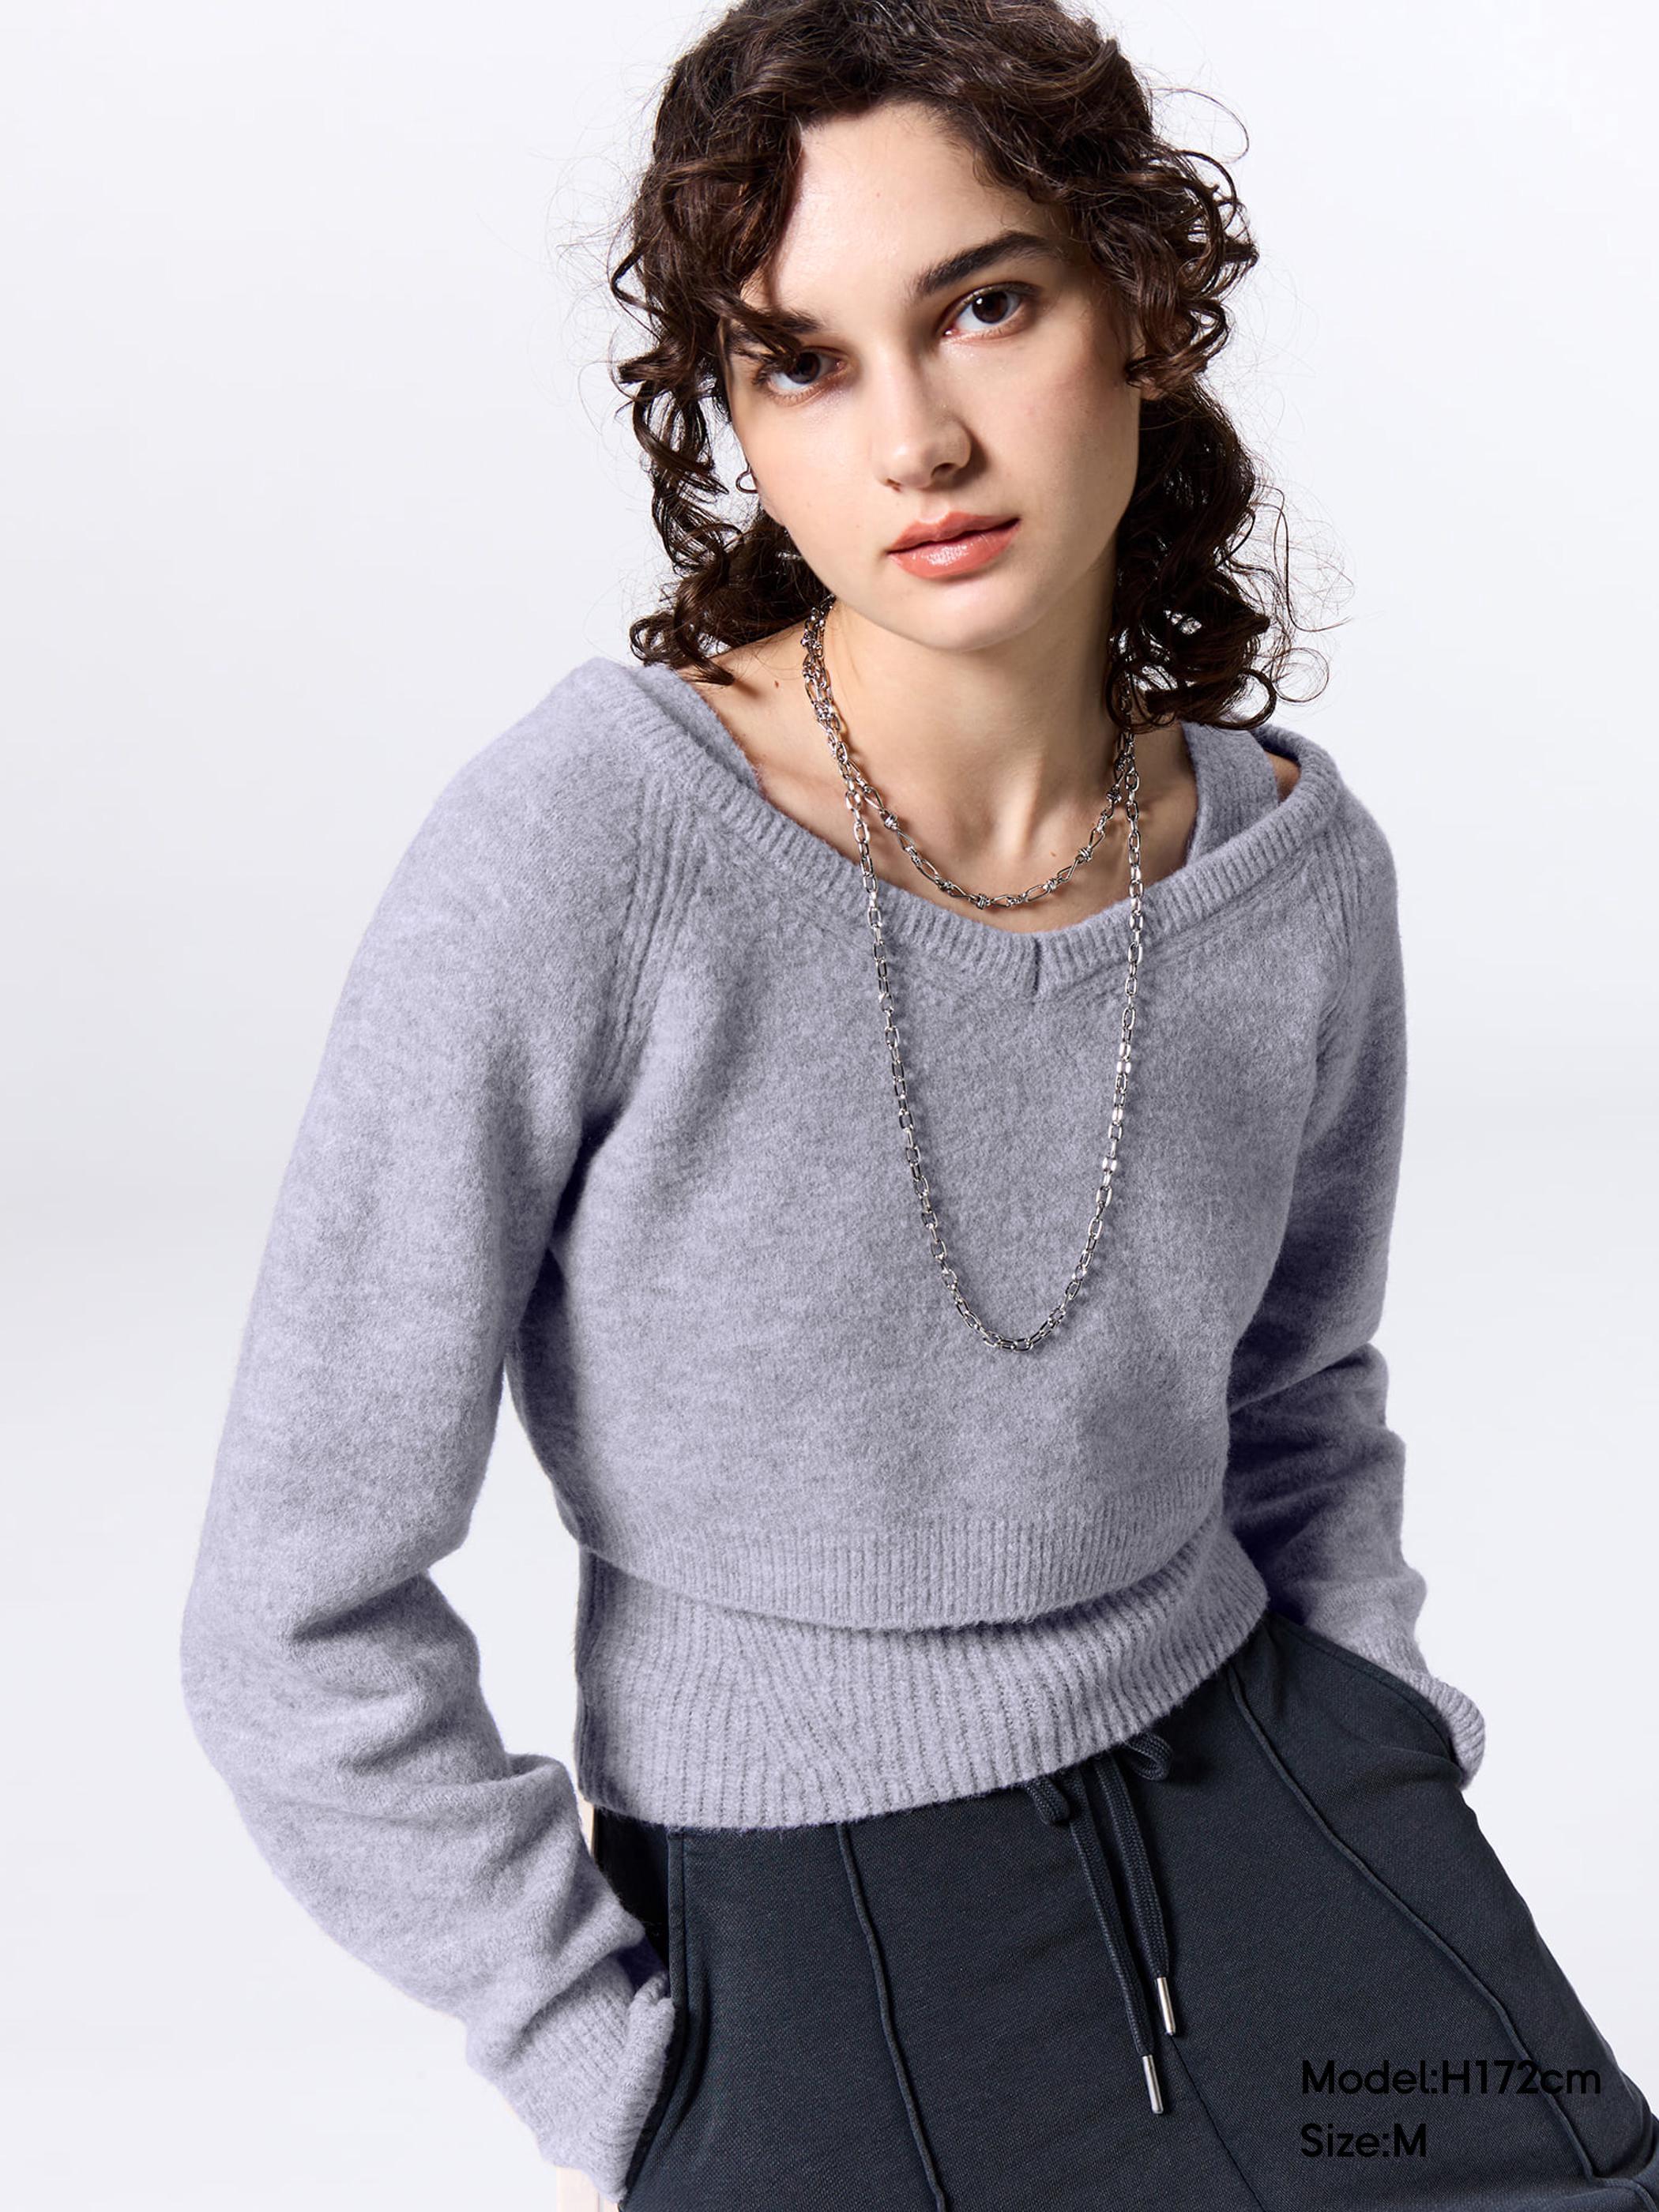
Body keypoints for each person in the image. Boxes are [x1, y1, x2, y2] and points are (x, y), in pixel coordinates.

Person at [178, 2, 1658, 2206]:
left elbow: (1296, 1393)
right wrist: (610, 2068)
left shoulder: (1290, 869)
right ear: (732, 421)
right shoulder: (587, 847)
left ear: (1140, 308)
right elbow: (290, 1610)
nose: (916, 444)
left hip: (1284, 1813)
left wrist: (1383, 1745)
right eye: (802, 362)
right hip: (817, 1924)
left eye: (983, 306)